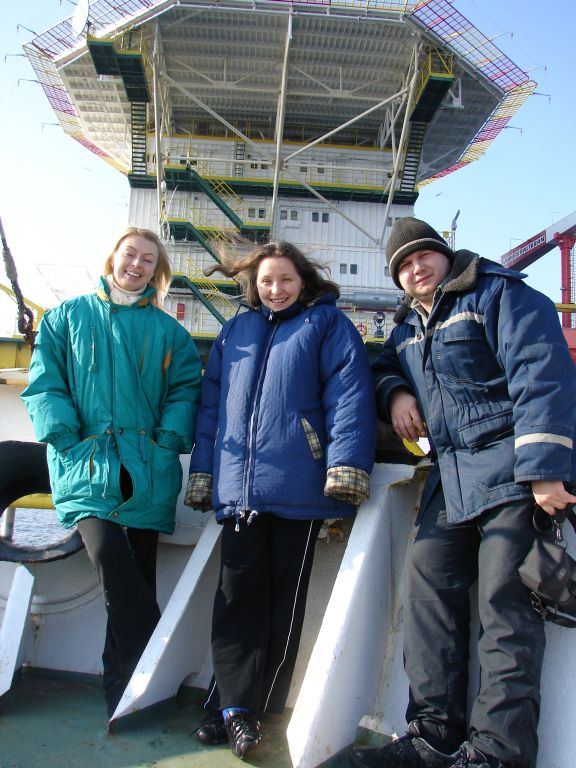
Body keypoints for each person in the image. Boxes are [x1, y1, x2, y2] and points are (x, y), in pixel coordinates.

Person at [351, 217, 576, 768]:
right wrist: (396, 393)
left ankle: (499, 753)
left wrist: (545, 469)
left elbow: (541, 373)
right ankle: (433, 733)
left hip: (511, 473)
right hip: (450, 479)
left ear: (445, 255)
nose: (415, 269)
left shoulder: (499, 294)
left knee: (505, 605)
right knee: (425, 587)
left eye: (422, 256)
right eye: (403, 266)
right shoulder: (407, 328)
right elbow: (380, 369)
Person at [185, 241, 376, 760]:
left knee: (282, 604)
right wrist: (204, 472)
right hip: (239, 490)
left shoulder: (327, 325)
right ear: (254, 284)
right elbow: (212, 409)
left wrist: (345, 466)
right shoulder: (235, 332)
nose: (275, 289)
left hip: (299, 486)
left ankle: (247, 707)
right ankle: (230, 706)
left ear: (303, 281)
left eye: (286, 279)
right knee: (235, 598)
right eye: (266, 281)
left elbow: (349, 396)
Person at [21, 226, 202, 717]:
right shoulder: (66, 317)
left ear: (157, 271)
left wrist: (167, 443)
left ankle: (122, 690)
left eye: (148, 260)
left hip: (146, 467)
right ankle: (156, 656)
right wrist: (66, 437)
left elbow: (185, 391)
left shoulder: (171, 334)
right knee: (110, 557)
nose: (136, 265)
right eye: (130, 254)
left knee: (138, 572)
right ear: (112, 258)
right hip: (86, 461)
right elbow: (46, 383)